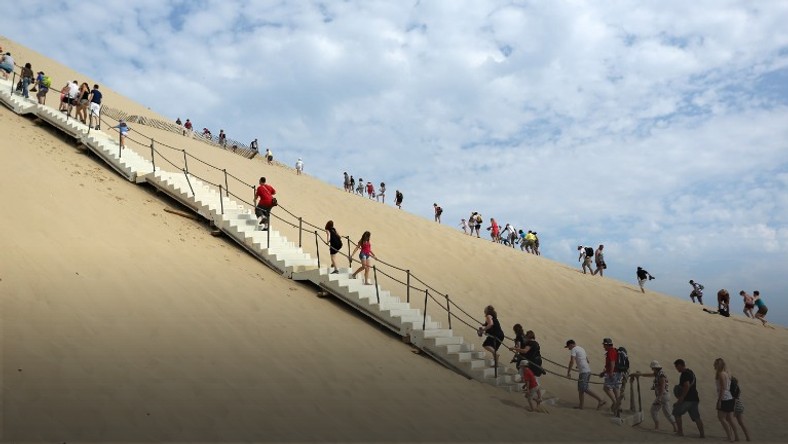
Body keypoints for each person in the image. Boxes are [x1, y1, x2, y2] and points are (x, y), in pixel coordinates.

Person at [631, 361, 677, 432]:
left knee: (654, 411)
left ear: (655, 368)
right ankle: (675, 427)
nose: (652, 370)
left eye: (653, 368)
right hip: (665, 396)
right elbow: (649, 375)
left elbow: (662, 387)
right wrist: (640, 374)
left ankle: (657, 427)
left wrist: (659, 397)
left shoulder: (661, 375)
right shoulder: (659, 373)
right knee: (667, 412)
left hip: (662, 396)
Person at [565, 339, 606, 410]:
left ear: (571, 345)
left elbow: (571, 361)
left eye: (568, 347)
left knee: (584, 388)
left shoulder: (574, 349)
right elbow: (587, 360)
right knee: (581, 389)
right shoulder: (581, 348)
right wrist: (579, 365)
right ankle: (581, 406)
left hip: (584, 372)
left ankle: (600, 400)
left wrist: (568, 372)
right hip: (587, 370)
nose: (568, 349)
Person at [673, 359, 705, 438]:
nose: (676, 369)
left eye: (677, 367)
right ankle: (702, 435)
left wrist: (681, 398)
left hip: (688, 399)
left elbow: (686, 386)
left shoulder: (684, 374)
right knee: (697, 417)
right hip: (694, 399)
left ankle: (680, 432)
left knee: (676, 412)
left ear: (680, 365)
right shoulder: (691, 372)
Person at [713, 358, 738, 442]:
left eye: (715, 364)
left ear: (718, 365)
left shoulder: (721, 374)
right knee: (730, 419)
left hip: (725, 398)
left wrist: (719, 401)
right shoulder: (727, 373)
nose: (714, 365)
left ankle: (730, 436)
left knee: (721, 418)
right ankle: (736, 436)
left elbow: (723, 388)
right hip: (729, 398)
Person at [600, 337, 623, 415]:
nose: (603, 347)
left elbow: (612, 362)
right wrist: (604, 372)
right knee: (615, 389)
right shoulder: (613, 351)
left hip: (614, 373)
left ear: (607, 345)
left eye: (604, 345)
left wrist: (611, 372)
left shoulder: (611, 351)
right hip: (617, 373)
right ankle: (618, 407)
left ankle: (615, 403)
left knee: (606, 388)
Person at [732, 375, 751, 441]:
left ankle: (736, 437)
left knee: (732, 422)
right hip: (740, 406)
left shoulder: (733, 390)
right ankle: (748, 437)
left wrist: (734, 411)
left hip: (736, 407)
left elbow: (734, 400)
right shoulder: (737, 388)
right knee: (741, 423)